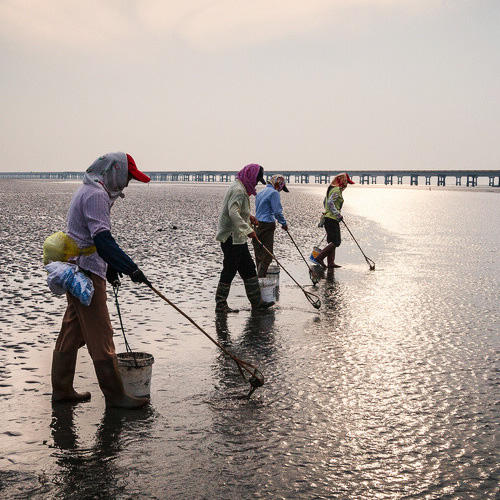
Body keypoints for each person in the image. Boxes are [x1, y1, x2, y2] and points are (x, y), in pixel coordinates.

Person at [51, 152, 151, 408]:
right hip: (85, 274)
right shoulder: (96, 195)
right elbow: (102, 239)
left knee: (71, 332)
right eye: (128, 176)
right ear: (114, 171)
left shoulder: (88, 190)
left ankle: (62, 390)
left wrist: (111, 270)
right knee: (102, 335)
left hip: (78, 269)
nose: (128, 183)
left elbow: (90, 239)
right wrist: (131, 269)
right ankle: (117, 396)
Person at [215, 164, 275, 313]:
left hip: (238, 238)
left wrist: (250, 217)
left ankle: (257, 302)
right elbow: (233, 213)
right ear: (250, 176)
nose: (255, 183)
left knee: (248, 269)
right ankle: (220, 304)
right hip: (231, 237)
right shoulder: (239, 191)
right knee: (229, 269)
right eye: (256, 179)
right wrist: (249, 230)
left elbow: (239, 211)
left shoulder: (240, 186)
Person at [310, 172, 354, 270]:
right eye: (346, 182)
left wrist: (329, 212)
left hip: (328, 218)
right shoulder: (337, 190)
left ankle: (331, 263)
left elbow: (325, 201)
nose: (347, 185)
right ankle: (319, 257)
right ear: (343, 181)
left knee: (331, 241)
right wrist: (337, 214)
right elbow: (330, 202)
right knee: (336, 241)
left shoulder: (331, 188)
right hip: (332, 219)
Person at [252, 174, 289, 277]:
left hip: (256, 224)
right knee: (268, 255)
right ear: (279, 185)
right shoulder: (274, 193)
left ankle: (258, 280)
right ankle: (261, 279)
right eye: (281, 188)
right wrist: (284, 223)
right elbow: (277, 212)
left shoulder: (260, 192)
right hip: (267, 224)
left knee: (259, 255)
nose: (281, 190)